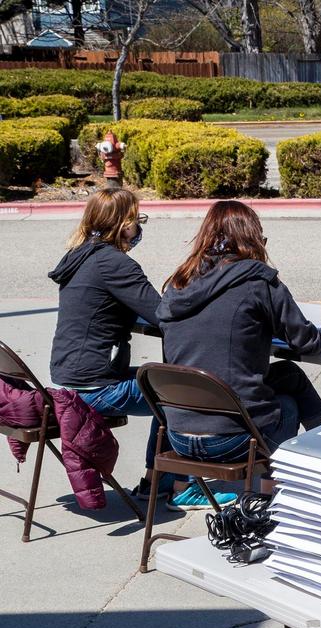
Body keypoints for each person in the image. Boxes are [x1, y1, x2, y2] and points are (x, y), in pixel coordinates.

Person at [48, 188, 233, 510]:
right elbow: (162, 314)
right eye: (138, 219)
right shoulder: (114, 264)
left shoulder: (79, 256)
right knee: (182, 395)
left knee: (166, 385)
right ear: (123, 224)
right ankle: (182, 486)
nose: (139, 227)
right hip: (97, 384)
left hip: (71, 375)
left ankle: (155, 481)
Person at [157, 201, 321, 471]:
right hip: (233, 439)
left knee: (289, 375)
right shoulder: (259, 282)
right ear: (252, 239)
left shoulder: (179, 284)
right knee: (288, 405)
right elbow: (305, 341)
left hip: (178, 435)